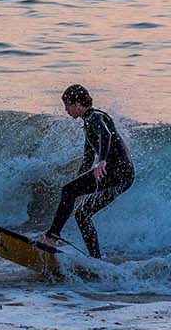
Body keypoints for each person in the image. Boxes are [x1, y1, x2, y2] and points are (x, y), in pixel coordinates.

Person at [37, 84, 134, 259]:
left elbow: (106, 135)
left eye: (67, 105)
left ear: (78, 104)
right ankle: (96, 259)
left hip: (117, 170)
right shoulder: (88, 123)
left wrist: (102, 160)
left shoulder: (94, 117)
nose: (66, 110)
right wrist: (78, 188)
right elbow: (88, 159)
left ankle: (51, 237)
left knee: (68, 190)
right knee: (82, 213)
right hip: (125, 176)